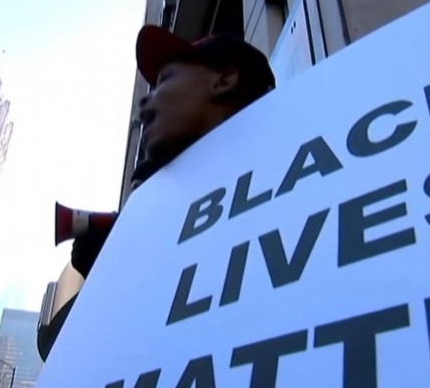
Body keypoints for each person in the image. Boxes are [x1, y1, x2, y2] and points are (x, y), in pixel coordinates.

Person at [37, 24, 276, 356]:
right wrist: (117, 271)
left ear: (223, 81)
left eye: (165, 80)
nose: (145, 100)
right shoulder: (158, 205)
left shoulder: (276, 188)